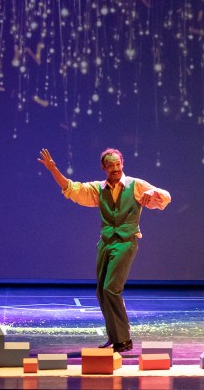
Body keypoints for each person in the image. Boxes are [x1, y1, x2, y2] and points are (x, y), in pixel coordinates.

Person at [37, 147, 171, 353]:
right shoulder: (99, 189)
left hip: (125, 242)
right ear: (104, 168)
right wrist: (53, 169)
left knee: (111, 288)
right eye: (110, 165)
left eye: (118, 164)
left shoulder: (135, 185)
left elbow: (166, 197)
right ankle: (115, 337)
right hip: (106, 242)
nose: (115, 168)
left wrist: (153, 193)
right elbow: (72, 189)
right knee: (101, 291)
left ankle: (123, 339)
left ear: (122, 164)